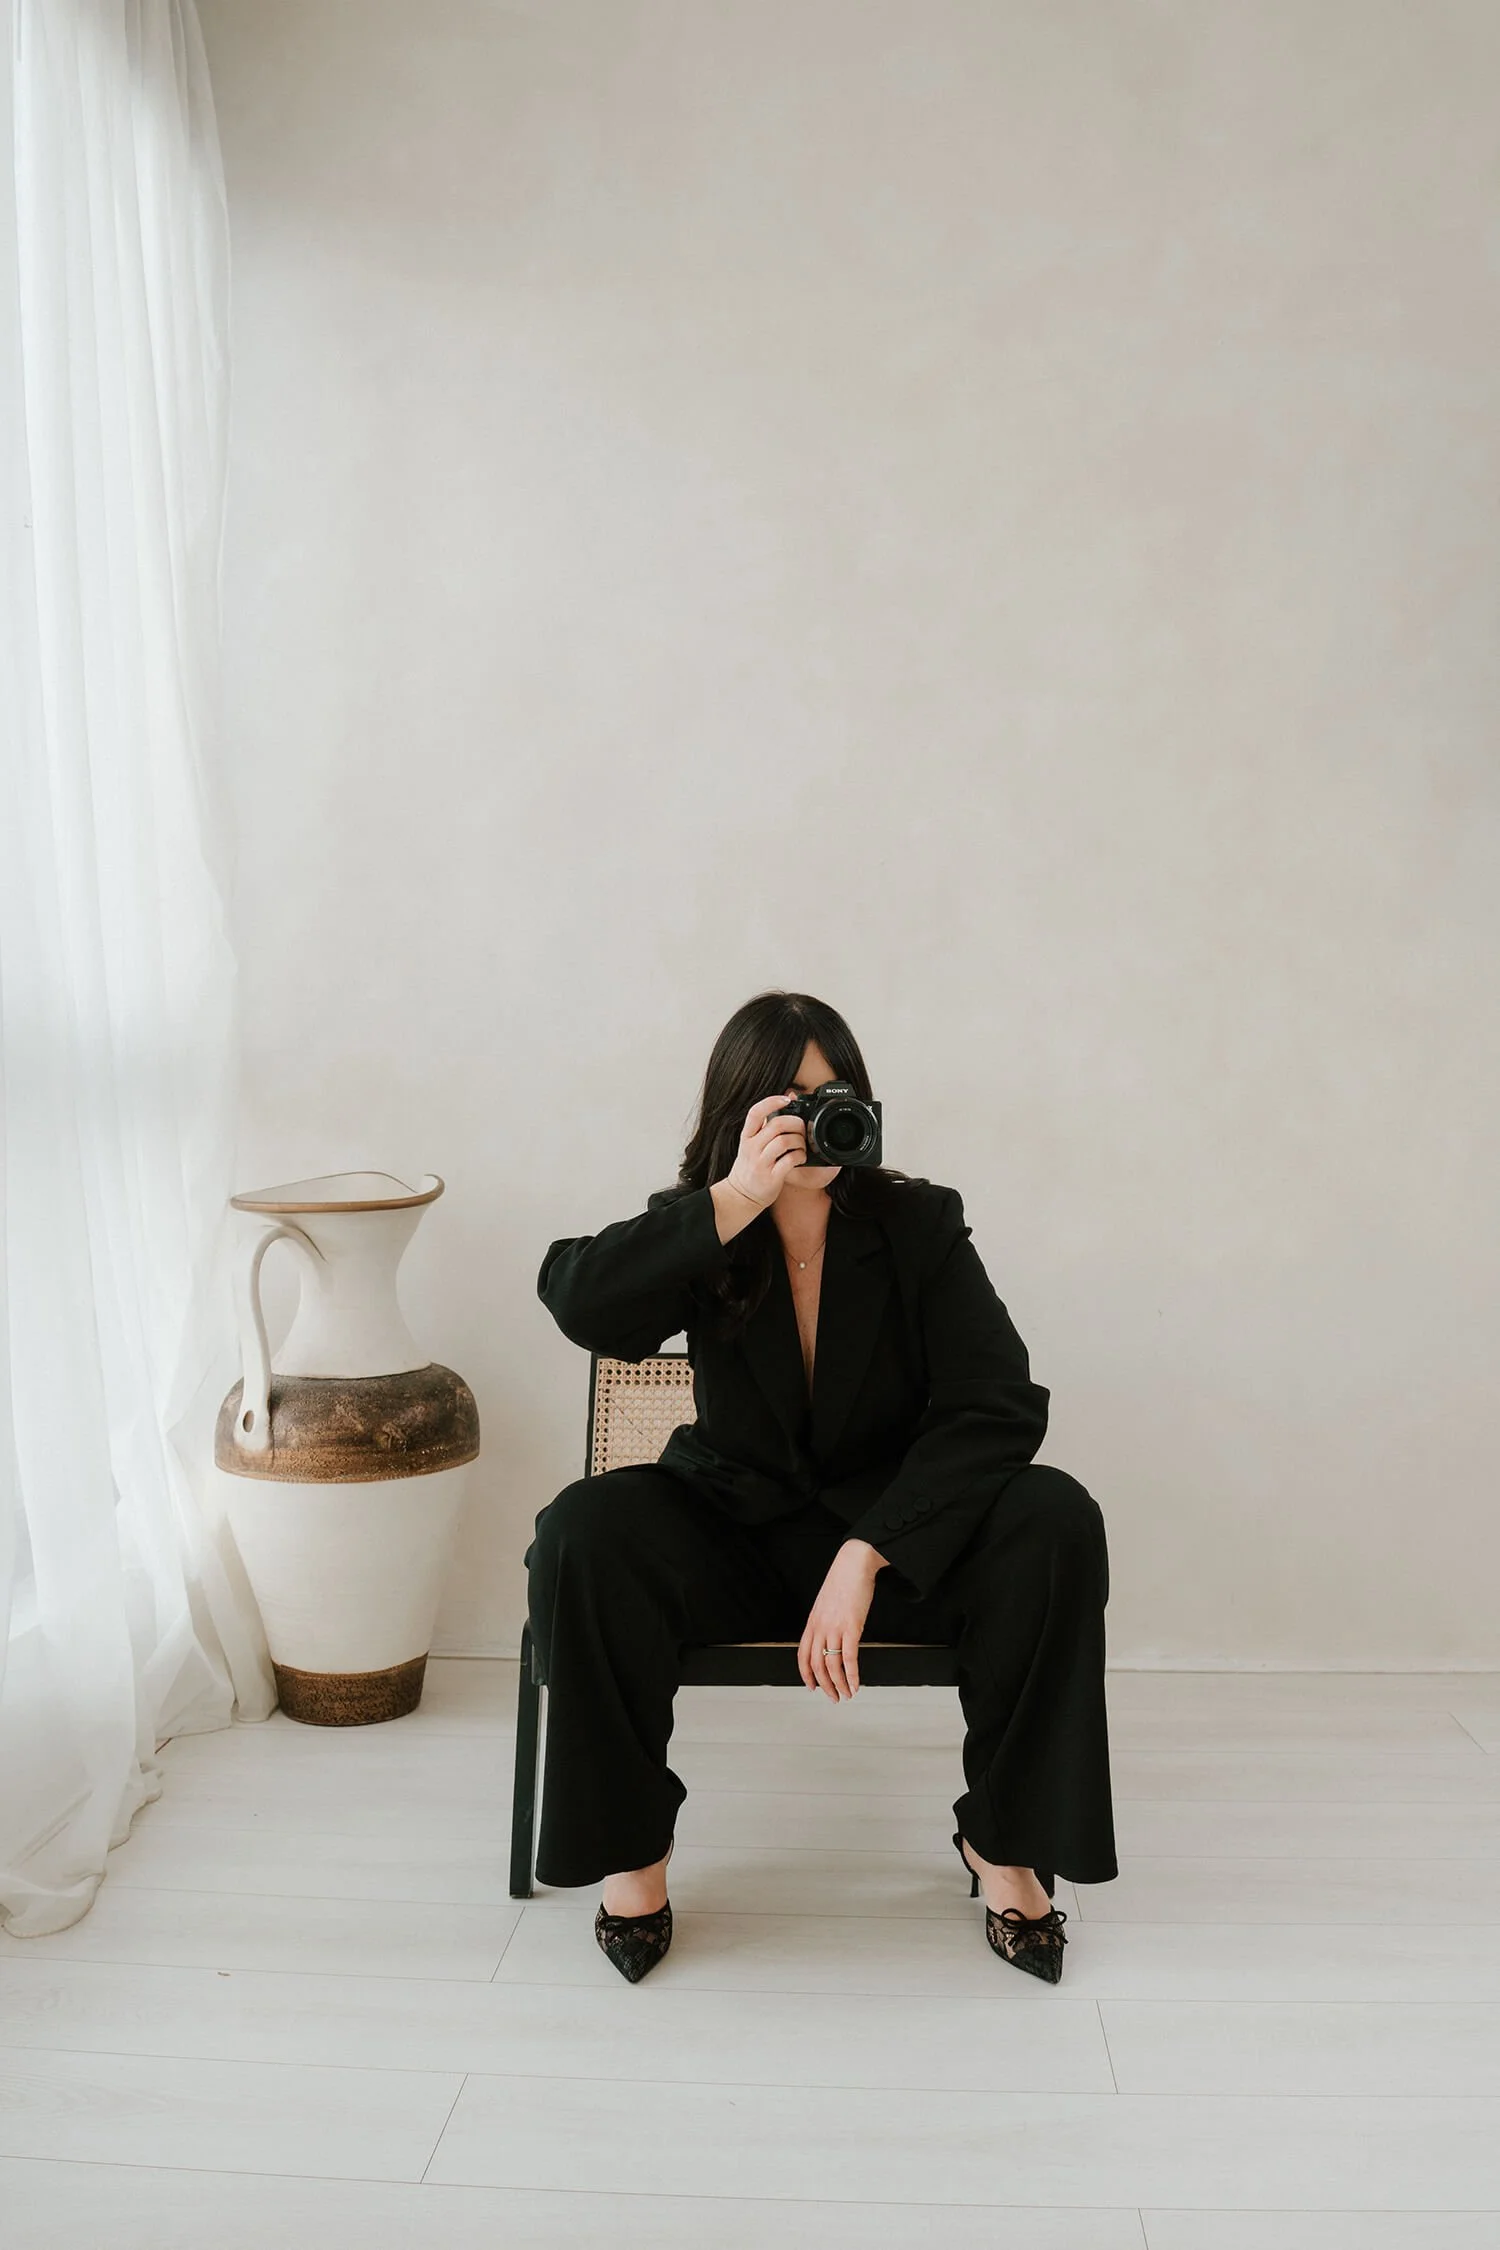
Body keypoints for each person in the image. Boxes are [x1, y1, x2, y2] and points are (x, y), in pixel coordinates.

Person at [527, 990, 1118, 1985]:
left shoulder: (917, 1222)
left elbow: (997, 1402)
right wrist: (732, 1201)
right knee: (585, 1530)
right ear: (740, 1112)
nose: (814, 1114)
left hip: (895, 1550)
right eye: (787, 1099)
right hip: (735, 1534)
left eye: (831, 1091)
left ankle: (1005, 1849)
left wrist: (869, 1550)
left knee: (1054, 1514)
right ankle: (634, 1861)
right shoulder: (707, 1223)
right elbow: (578, 1298)